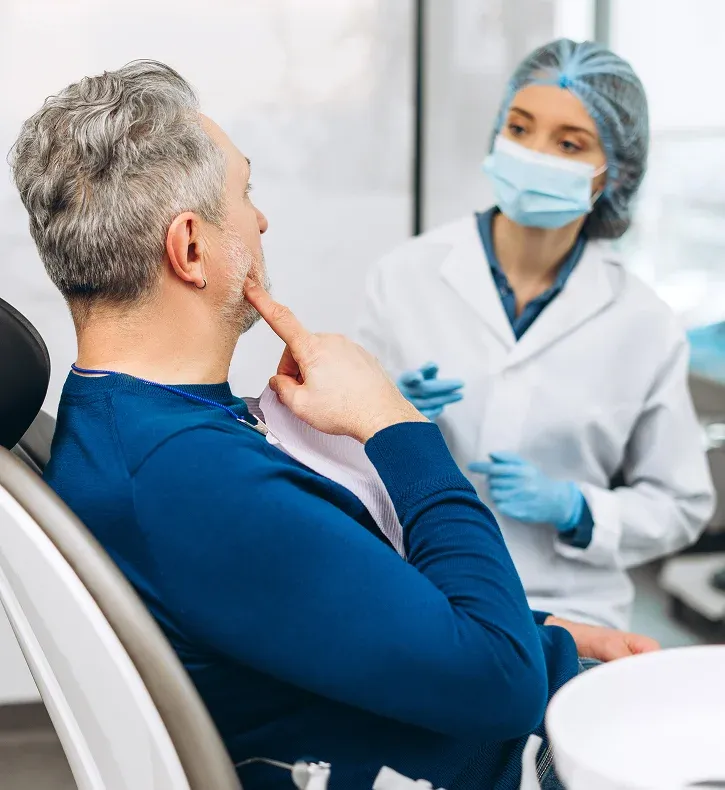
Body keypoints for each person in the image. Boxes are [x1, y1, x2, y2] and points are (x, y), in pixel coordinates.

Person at [11, 60, 658, 790]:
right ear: (190, 249)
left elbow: (356, 601)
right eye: (244, 193)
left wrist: (549, 638)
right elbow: (501, 681)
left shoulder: (134, 423)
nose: (261, 220)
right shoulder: (191, 479)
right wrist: (394, 423)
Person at [358, 38, 715, 630]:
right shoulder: (404, 276)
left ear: (615, 172)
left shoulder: (645, 323)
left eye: (569, 143)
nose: (533, 154)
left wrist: (578, 510)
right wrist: (384, 416)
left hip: (570, 610)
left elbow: (680, 504)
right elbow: (335, 460)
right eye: (519, 128)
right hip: (420, 587)